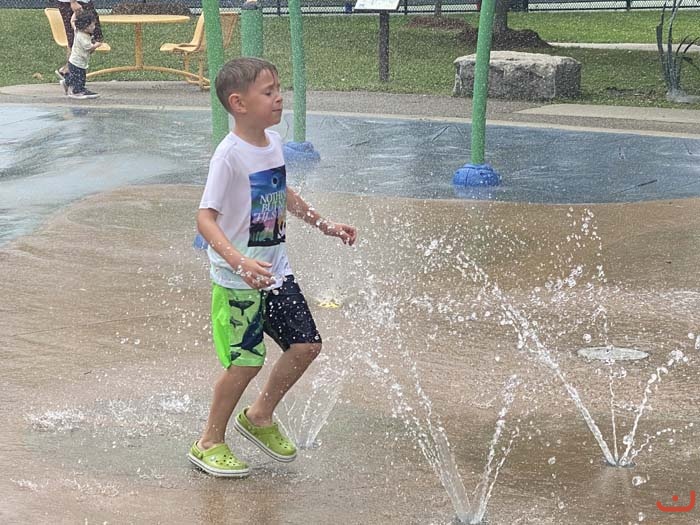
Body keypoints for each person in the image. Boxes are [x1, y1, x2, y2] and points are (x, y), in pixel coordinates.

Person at [187, 57, 357, 478]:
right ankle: (208, 442)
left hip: (275, 272)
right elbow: (205, 218)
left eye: (279, 89)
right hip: (238, 280)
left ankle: (259, 415)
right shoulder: (229, 156)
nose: (279, 97)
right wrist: (239, 260)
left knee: (306, 346)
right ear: (238, 103)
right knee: (246, 362)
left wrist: (325, 224)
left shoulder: (273, 143)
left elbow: (282, 193)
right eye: (269, 92)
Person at [54, 0, 103, 80]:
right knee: (76, 40)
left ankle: (68, 70)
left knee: (95, 37)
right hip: (75, 3)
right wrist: (73, 2)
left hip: (84, 2)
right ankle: (71, 73)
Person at [60, 11, 102, 99]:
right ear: (85, 27)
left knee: (75, 76)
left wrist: (75, 13)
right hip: (78, 61)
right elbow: (89, 48)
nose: (94, 27)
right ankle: (77, 91)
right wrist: (97, 45)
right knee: (80, 78)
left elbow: (72, 21)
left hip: (75, 61)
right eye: (91, 26)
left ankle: (66, 82)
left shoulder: (77, 30)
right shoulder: (82, 37)